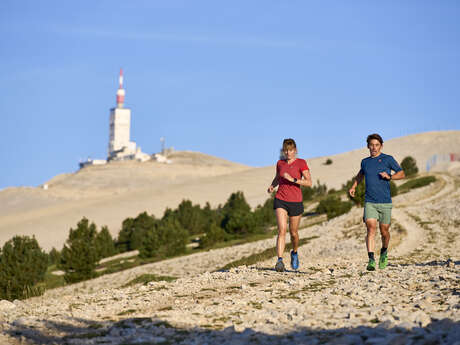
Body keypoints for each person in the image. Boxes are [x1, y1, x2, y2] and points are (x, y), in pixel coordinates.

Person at [349, 133, 405, 271]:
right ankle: (371, 259)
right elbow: (361, 174)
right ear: (368, 146)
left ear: (381, 146)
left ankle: (384, 252)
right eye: (372, 145)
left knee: (384, 231)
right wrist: (354, 185)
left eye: (377, 145)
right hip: (370, 201)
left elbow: (402, 173)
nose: (374, 148)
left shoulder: (388, 159)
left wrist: (390, 176)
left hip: (385, 201)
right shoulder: (365, 162)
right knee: (371, 226)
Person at [267, 138, 312, 272]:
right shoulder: (280, 163)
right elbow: (277, 177)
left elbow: (309, 182)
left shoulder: (301, 163)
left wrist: (292, 179)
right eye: (286, 150)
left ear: (295, 151)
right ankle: (280, 260)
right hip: (281, 199)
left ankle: (294, 252)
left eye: (290, 150)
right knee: (281, 230)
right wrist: (272, 186)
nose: (288, 153)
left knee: (293, 233)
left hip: (296, 201)